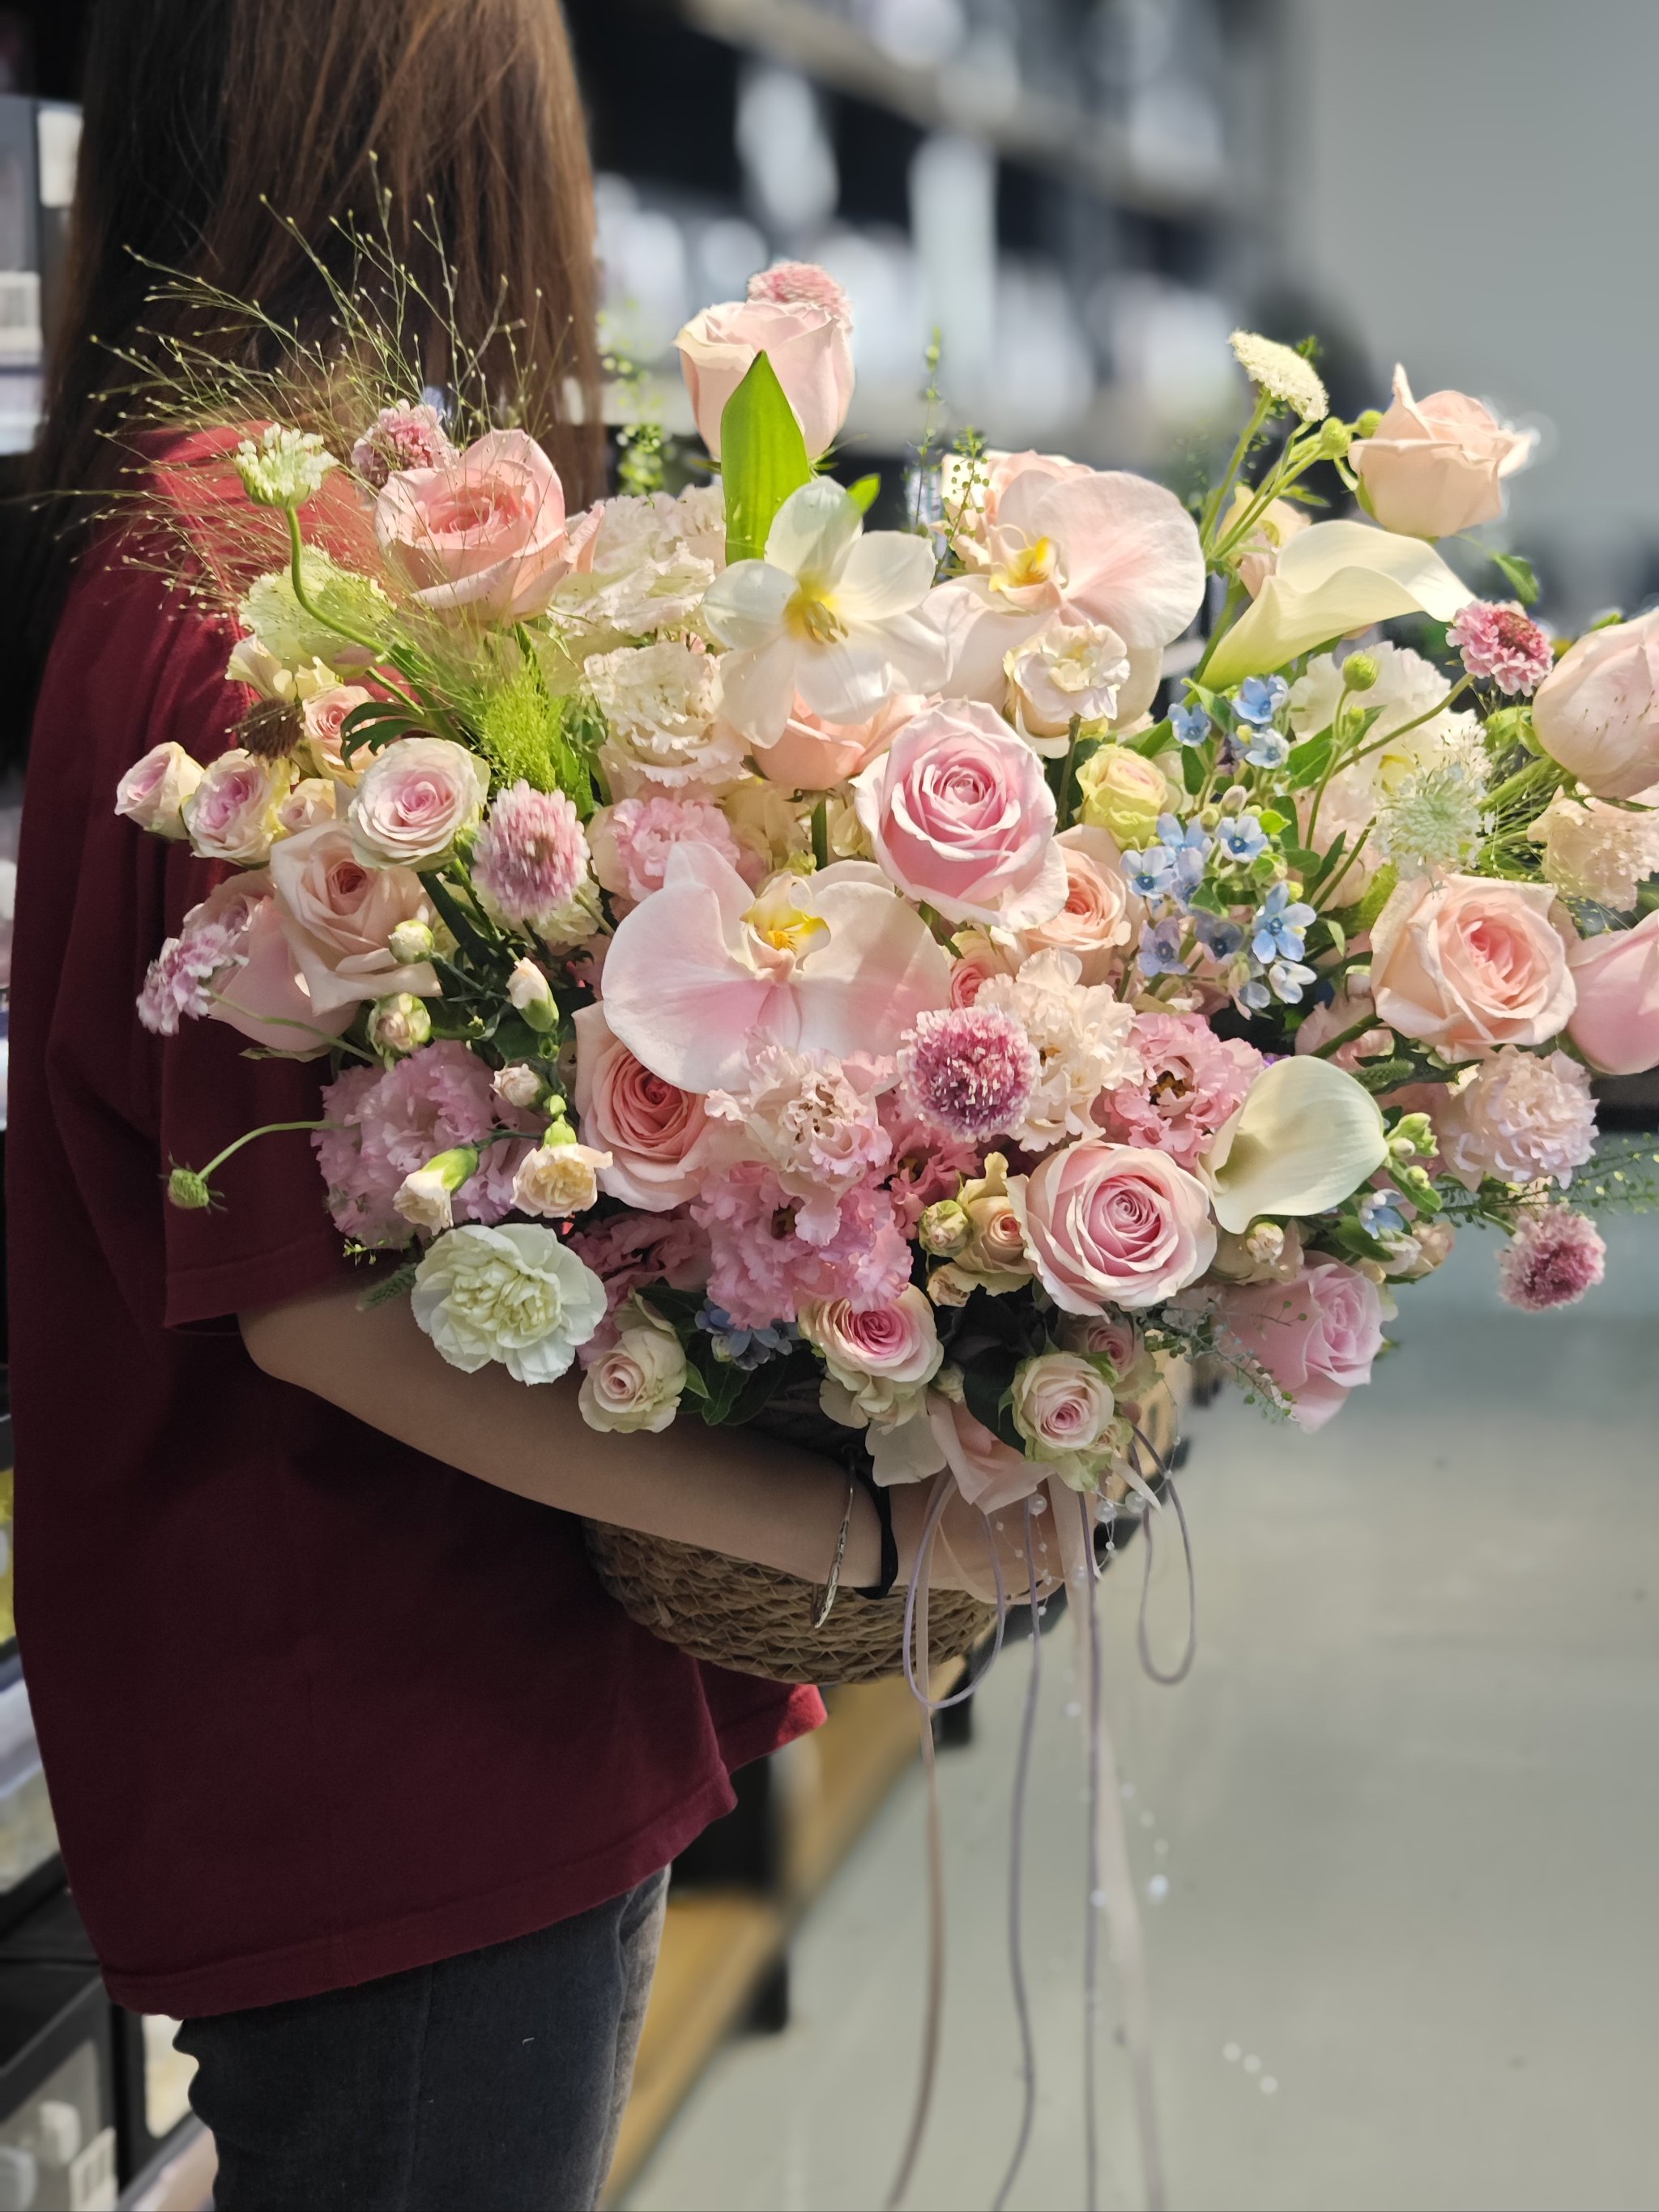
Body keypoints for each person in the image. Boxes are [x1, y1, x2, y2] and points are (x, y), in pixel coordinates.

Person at [2, 5, 1015, 2206]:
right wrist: (876, 1540)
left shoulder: (199, 539)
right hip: (405, 1724)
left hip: (338, 1720)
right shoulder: (270, 603)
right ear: (468, 139)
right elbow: (319, 1304)